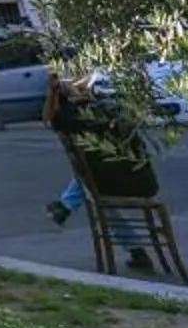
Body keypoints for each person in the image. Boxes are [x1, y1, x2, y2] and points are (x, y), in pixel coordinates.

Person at [45, 70, 160, 272]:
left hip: (111, 182)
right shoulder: (109, 109)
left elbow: (49, 118)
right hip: (144, 181)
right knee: (94, 189)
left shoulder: (74, 116)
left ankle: (66, 204)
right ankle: (137, 251)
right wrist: (55, 92)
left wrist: (53, 93)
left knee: (93, 189)